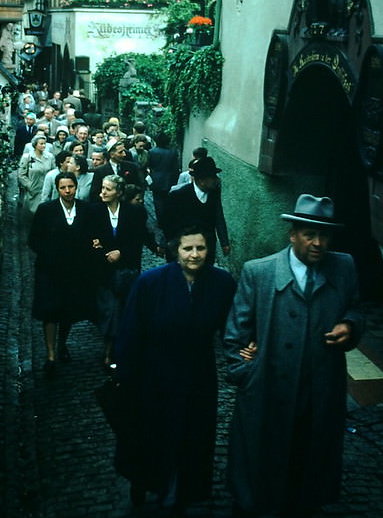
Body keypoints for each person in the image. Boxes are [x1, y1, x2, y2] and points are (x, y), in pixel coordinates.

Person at [224, 194, 365, 518]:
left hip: (318, 390)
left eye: (325, 235)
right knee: (261, 462)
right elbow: (235, 333)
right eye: (309, 234)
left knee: (310, 460)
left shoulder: (343, 267)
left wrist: (349, 325)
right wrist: (247, 374)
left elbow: (356, 309)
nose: (318, 243)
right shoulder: (259, 272)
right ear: (292, 234)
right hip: (267, 390)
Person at [114, 227, 236, 516]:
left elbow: (233, 327)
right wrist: (126, 376)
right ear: (175, 251)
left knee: (192, 436)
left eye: (201, 249)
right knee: (151, 434)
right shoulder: (150, 283)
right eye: (187, 249)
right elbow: (130, 333)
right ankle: (144, 482)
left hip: (198, 375)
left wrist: (245, 349)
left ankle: (183, 490)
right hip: (154, 374)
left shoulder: (221, 283)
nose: (195, 255)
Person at [28, 172, 97, 375]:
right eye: (63, 188)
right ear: (57, 189)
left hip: (75, 270)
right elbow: (34, 240)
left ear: (76, 188)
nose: (67, 191)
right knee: (50, 310)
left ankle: (62, 344)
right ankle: (50, 354)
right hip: (49, 271)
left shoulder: (85, 210)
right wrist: (50, 254)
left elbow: (91, 236)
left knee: (68, 310)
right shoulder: (46, 210)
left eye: (71, 187)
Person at [90, 174, 154, 367]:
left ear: (118, 192)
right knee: (110, 311)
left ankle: (124, 349)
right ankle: (108, 351)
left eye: (108, 189)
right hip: (104, 271)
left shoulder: (134, 213)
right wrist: (103, 253)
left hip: (127, 271)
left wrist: (121, 252)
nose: (103, 192)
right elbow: (90, 239)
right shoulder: (94, 212)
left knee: (126, 311)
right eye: (102, 188)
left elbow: (137, 240)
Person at [162, 156, 230, 263]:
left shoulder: (214, 194)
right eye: (213, 177)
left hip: (206, 249)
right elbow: (167, 223)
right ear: (202, 180)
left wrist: (224, 242)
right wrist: (171, 246)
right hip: (184, 249)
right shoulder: (178, 195)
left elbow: (218, 217)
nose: (216, 180)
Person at [17, 135, 55, 222]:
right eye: (41, 144)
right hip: (33, 190)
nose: (43, 146)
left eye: (44, 144)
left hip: (46, 190)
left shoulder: (50, 157)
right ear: (35, 145)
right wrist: (29, 185)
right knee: (32, 214)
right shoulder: (28, 157)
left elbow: (53, 171)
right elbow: (21, 175)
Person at [147, 131, 180, 225]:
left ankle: (160, 220)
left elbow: (150, 165)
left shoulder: (152, 152)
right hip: (169, 179)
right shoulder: (172, 152)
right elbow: (175, 168)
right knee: (168, 200)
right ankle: (168, 219)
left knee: (158, 200)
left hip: (156, 179)